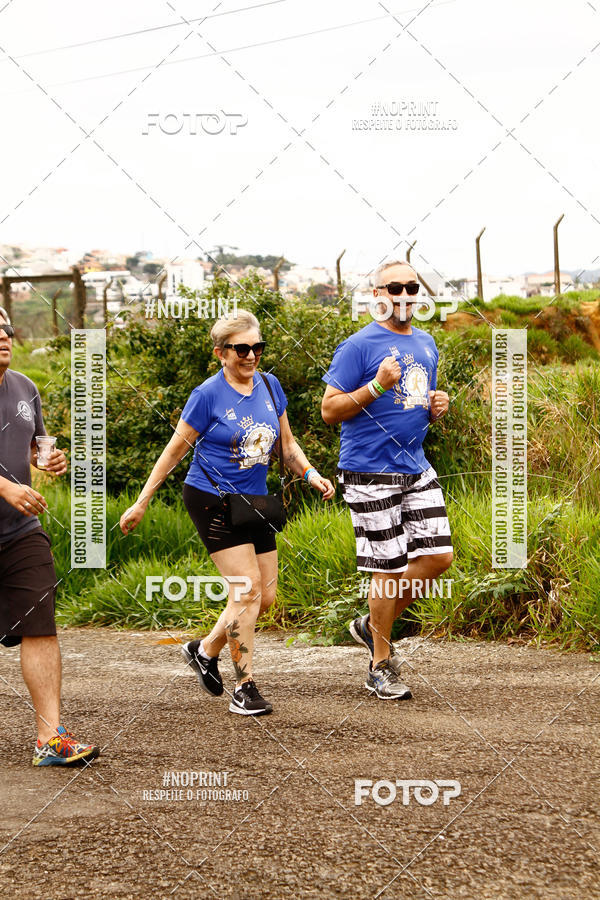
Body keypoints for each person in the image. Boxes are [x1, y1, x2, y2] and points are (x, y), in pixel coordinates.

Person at [120, 309, 334, 716]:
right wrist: (142, 500)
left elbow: (285, 446)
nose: (251, 355)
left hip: (255, 502)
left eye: (257, 347)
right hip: (211, 498)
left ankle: (204, 650)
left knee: (264, 597)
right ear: (221, 352)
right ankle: (245, 686)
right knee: (247, 589)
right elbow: (175, 451)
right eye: (241, 349)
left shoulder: (271, 387)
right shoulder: (207, 395)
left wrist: (311, 474)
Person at [321, 261, 453, 700]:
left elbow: (414, 404)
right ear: (376, 293)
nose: (403, 294)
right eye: (393, 287)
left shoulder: (427, 342)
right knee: (389, 567)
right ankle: (380, 664)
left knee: (439, 557)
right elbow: (330, 410)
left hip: (415, 465)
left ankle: (370, 624)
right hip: (369, 470)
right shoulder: (358, 345)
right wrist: (376, 386)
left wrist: (434, 408)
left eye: (411, 286)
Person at [0, 307, 99, 766]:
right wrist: (5, 486)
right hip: (10, 504)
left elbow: (38, 446)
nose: (4, 336)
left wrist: (47, 462)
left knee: (41, 624)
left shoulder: (25, 387)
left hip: (20, 532)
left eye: (7, 329)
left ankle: (50, 739)